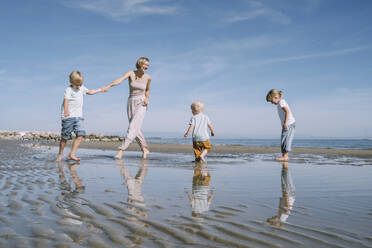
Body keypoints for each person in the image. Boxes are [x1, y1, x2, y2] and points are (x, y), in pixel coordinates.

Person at [102, 57, 151, 159]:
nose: (147, 67)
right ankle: (145, 149)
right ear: (140, 64)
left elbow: (147, 90)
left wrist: (147, 98)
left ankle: (121, 150)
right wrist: (109, 85)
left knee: (133, 126)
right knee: (135, 128)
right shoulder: (131, 73)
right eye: (145, 64)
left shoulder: (148, 77)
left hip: (142, 103)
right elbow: (119, 80)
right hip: (131, 101)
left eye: (148, 65)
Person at [57, 71, 104, 162]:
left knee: (81, 134)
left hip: (78, 116)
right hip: (68, 117)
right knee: (65, 137)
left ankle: (72, 154)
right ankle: (60, 154)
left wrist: (100, 90)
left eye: (80, 84)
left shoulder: (81, 88)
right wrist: (66, 110)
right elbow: (66, 100)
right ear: (71, 82)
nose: (78, 86)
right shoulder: (69, 89)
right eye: (76, 84)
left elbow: (90, 92)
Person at [266, 89, 296, 161]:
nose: (272, 103)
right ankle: (284, 156)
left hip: (289, 124)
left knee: (286, 140)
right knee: (283, 139)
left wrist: (285, 123)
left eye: (272, 101)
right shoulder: (281, 102)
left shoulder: (281, 102)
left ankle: (285, 156)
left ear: (275, 97)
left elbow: (287, 112)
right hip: (287, 124)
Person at [267, 161, 296, 227]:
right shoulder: (282, 218)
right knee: (285, 175)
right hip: (289, 194)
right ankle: (285, 161)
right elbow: (287, 209)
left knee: (284, 175)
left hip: (289, 194)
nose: (272, 217)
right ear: (276, 222)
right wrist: (286, 194)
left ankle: (284, 162)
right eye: (272, 219)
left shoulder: (281, 218)